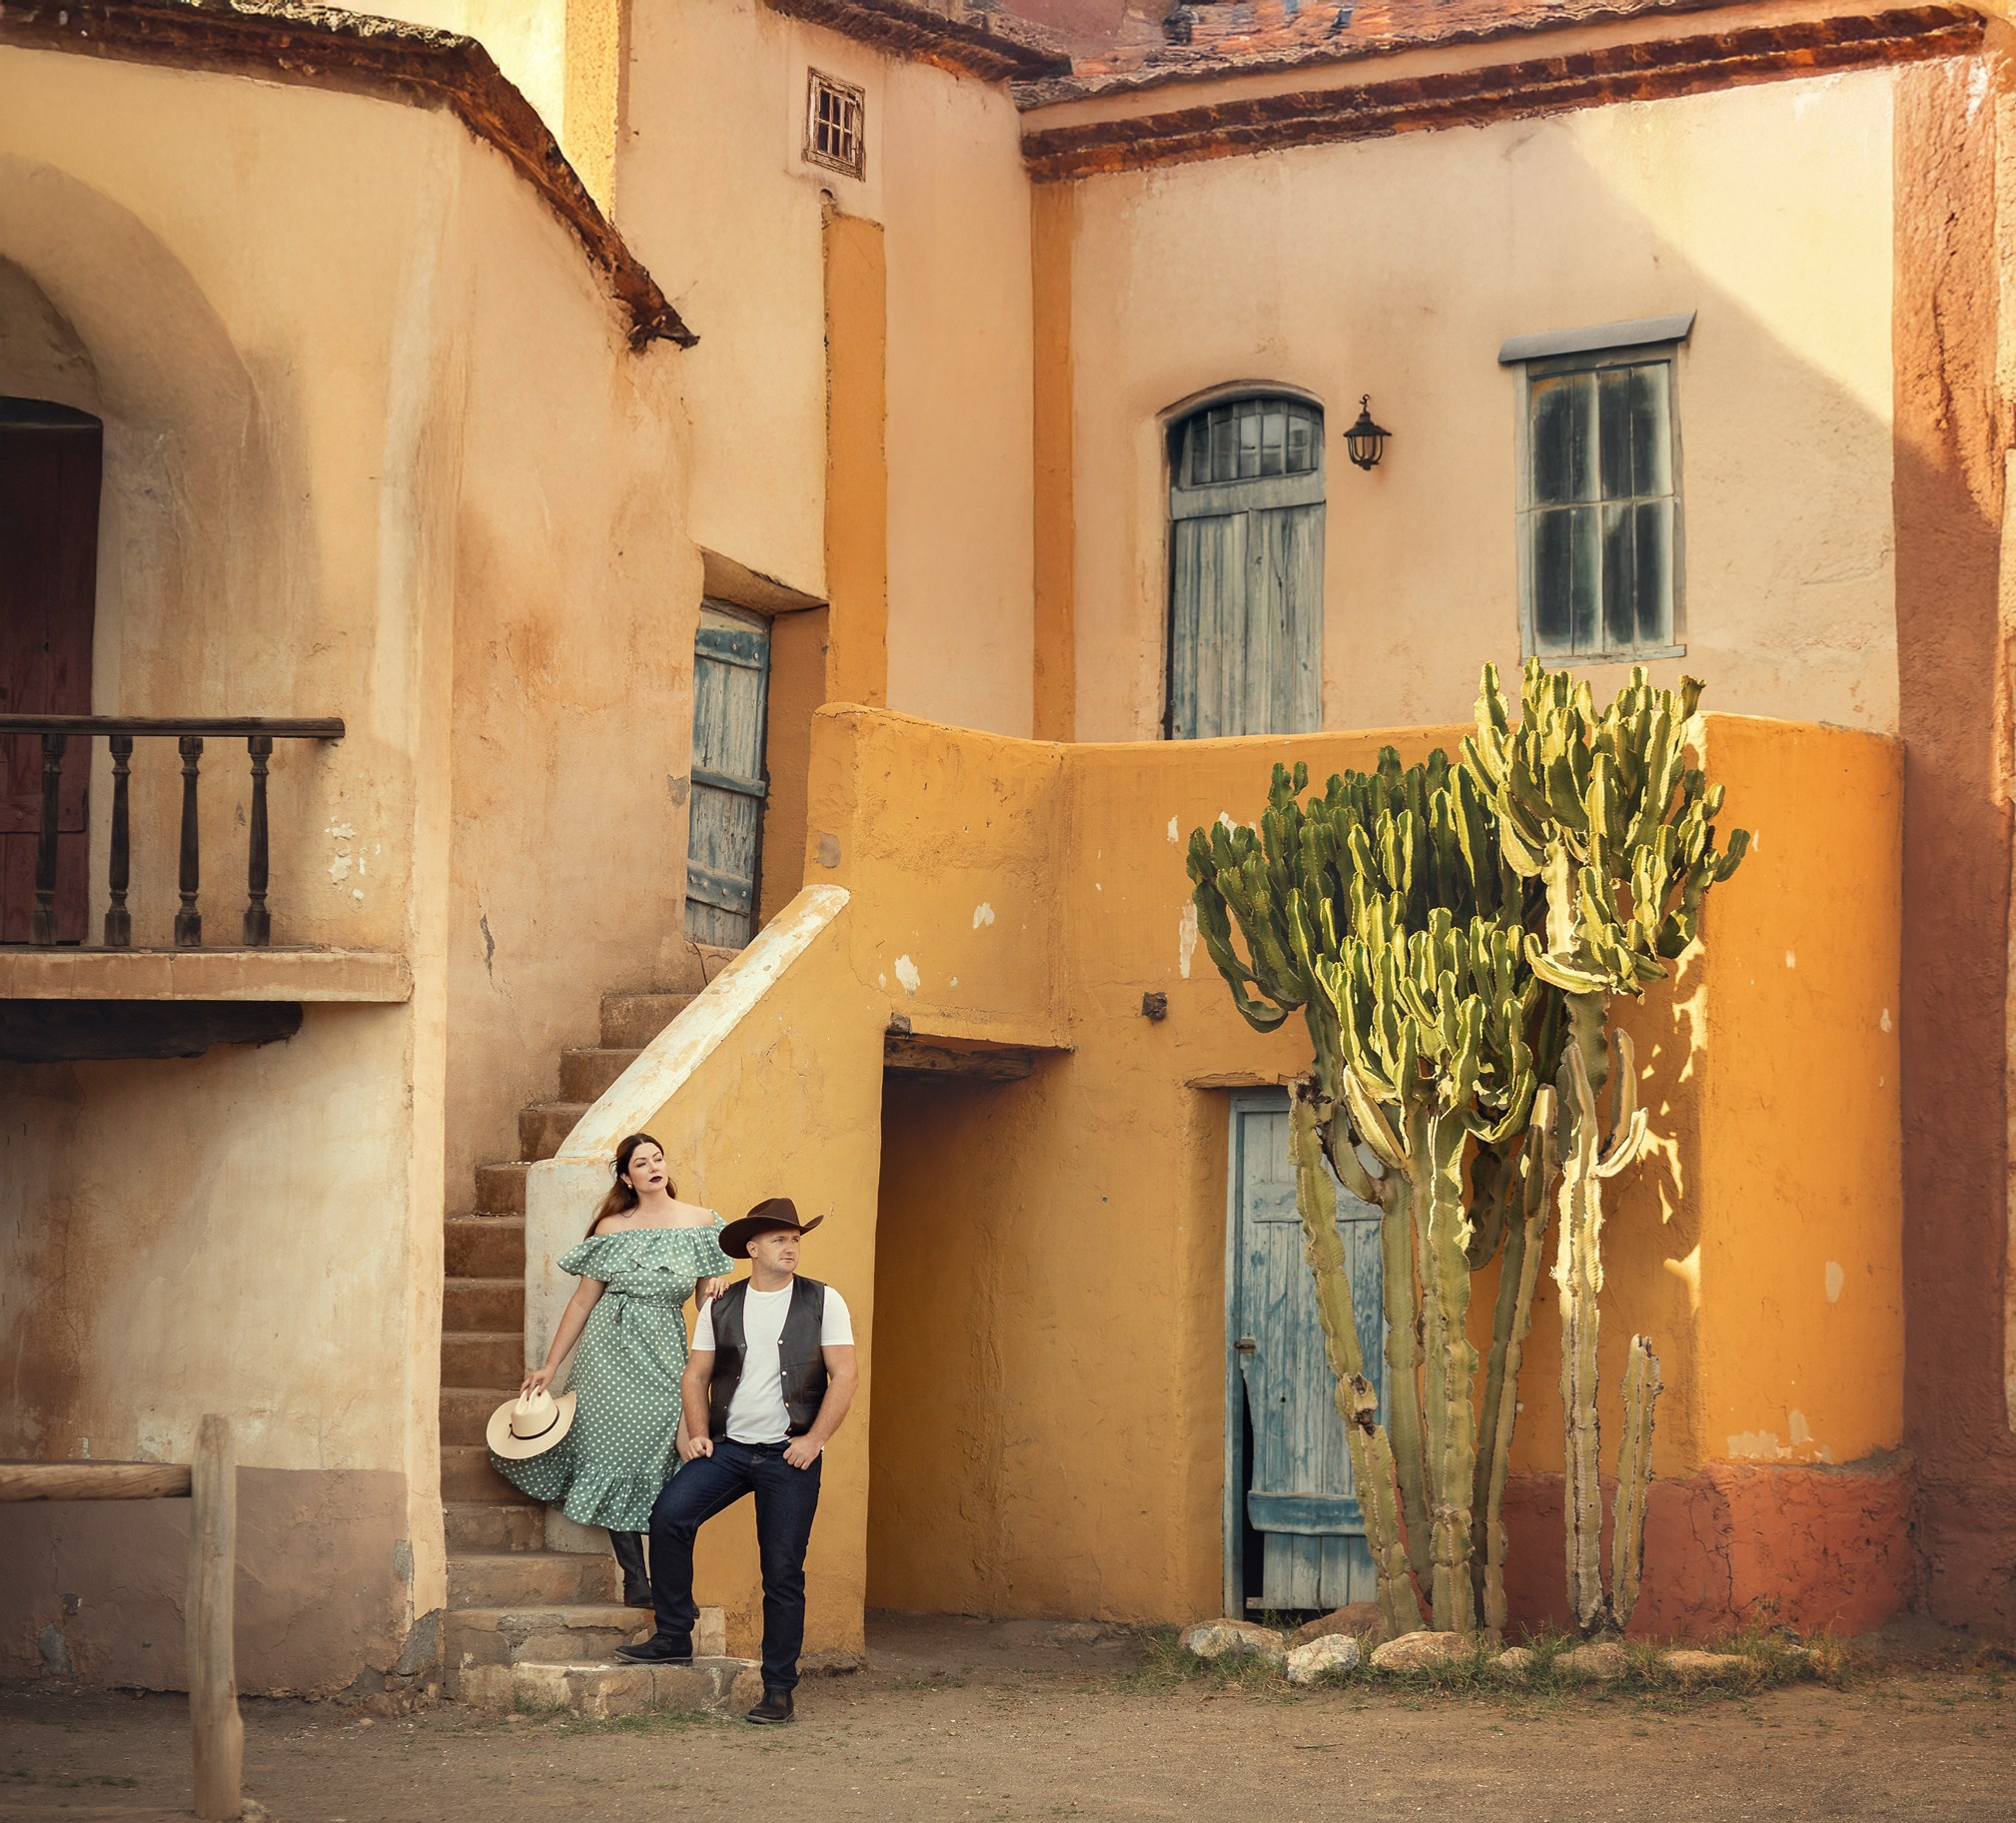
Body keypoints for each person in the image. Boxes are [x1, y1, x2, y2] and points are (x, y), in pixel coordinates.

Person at [615, 1197, 857, 1725]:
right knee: (669, 1517)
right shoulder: (721, 1304)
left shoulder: (823, 1300)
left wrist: (814, 1440)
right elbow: (696, 1375)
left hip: (789, 1455)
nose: (790, 1247)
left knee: (782, 1572)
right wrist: (699, 1433)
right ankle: (675, 1634)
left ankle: (778, 1689)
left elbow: (846, 1375)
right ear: (752, 1248)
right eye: (779, 1239)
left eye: (795, 1239)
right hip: (728, 1450)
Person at [488, 1133, 732, 1608]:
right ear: (627, 1177)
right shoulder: (611, 1229)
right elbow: (583, 1301)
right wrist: (550, 1365)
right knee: (612, 1453)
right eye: (642, 1163)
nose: (653, 1167)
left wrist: (716, 1294)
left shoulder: (702, 1224)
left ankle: (670, 1581)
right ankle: (635, 1579)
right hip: (608, 1353)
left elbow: (703, 1302)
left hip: (665, 1350)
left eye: (658, 1158)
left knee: (669, 1455)